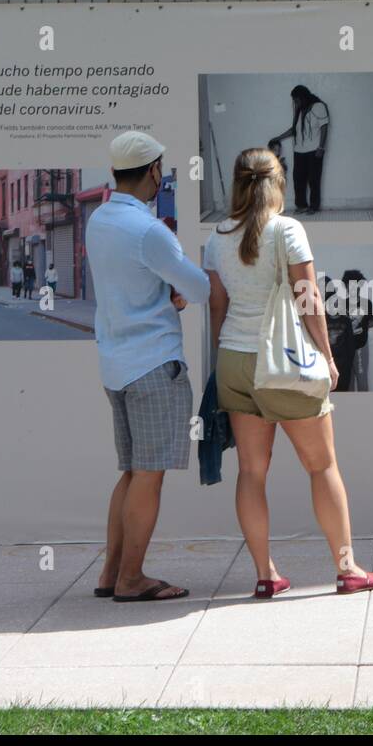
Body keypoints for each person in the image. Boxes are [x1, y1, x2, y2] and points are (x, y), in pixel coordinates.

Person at [204, 147, 373, 599]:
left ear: (238, 183)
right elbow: (309, 301)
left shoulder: (217, 236)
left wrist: (221, 358)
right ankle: (347, 570)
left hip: (235, 362)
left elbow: (217, 307)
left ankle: (266, 576)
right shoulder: (288, 230)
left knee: (251, 472)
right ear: (277, 181)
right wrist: (327, 355)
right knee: (322, 466)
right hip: (284, 363)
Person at [87, 130, 210, 603]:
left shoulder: (99, 220)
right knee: (150, 473)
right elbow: (197, 289)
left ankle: (110, 573)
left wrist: (163, 292)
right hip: (154, 364)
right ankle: (132, 580)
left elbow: (134, 282)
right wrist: (177, 288)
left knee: (131, 471)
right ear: (154, 170)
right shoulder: (150, 231)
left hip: (115, 363)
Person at [268, 84, 329, 216]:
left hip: (314, 150)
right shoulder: (300, 110)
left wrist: (321, 147)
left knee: (314, 179)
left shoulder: (318, 107)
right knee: (298, 179)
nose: (295, 102)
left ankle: (314, 207)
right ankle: (301, 206)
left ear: (303, 97)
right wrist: (278, 137)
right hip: (299, 151)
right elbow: (294, 130)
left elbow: (324, 127)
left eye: (296, 99)